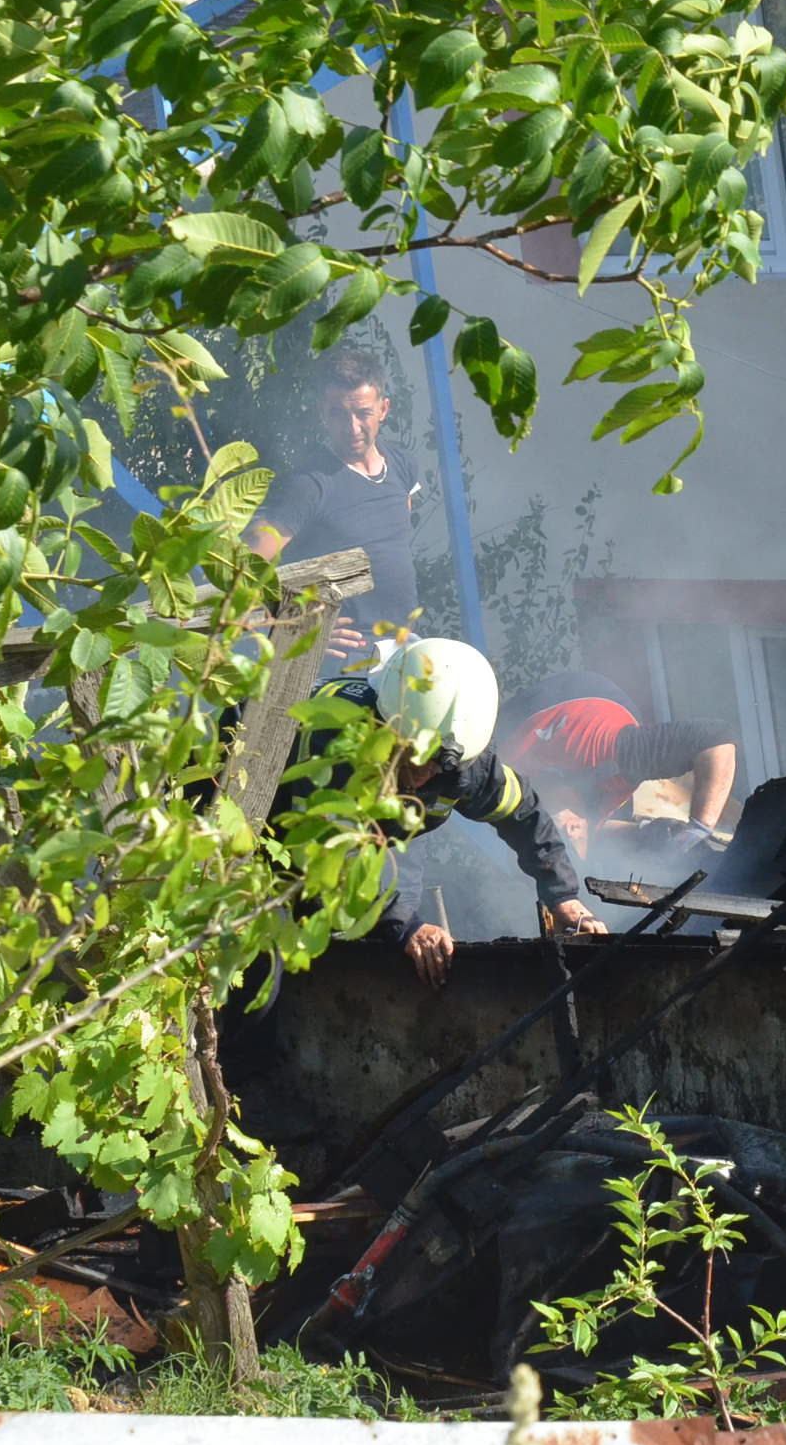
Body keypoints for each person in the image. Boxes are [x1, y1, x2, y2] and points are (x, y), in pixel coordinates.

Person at [295, 638, 610, 985]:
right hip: (273, 855)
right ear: (384, 723)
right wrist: (403, 922)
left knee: (395, 961)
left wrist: (561, 894)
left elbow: (523, 814)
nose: (420, 774)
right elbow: (326, 854)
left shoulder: (465, 763)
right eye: (409, 754)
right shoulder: (333, 742)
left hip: (382, 850)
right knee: (270, 983)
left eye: (435, 765)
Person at [249, 351, 423, 672]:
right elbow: (245, 568)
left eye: (362, 413)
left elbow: (396, 545)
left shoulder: (402, 465)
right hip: (346, 663)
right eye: (339, 414)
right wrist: (293, 629)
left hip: (405, 647)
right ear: (322, 414)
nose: (352, 427)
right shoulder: (310, 485)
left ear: (383, 409)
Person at [494, 671, 738, 860]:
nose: (573, 829)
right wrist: (650, 834)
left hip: (577, 698)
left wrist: (699, 828)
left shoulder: (614, 753)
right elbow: (595, 829)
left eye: (573, 834)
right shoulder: (571, 808)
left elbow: (716, 737)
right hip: (529, 728)